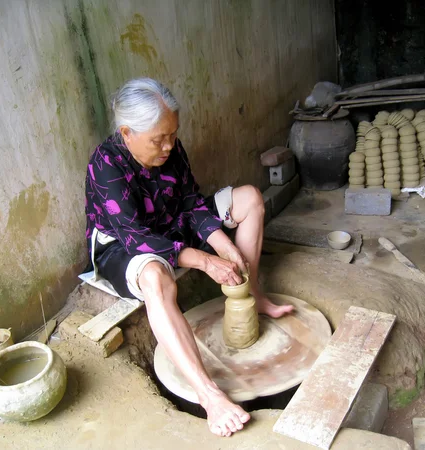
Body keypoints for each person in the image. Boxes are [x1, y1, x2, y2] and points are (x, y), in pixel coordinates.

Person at [83, 78, 294, 437]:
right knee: (155, 278)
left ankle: (252, 294)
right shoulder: (106, 166)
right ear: (127, 132)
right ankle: (209, 395)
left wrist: (224, 246)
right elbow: (137, 237)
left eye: (173, 134)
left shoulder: (171, 148)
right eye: (158, 139)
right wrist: (205, 260)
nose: (169, 145)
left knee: (249, 199)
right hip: (123, 245)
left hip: (170, 223)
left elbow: (191, 203)